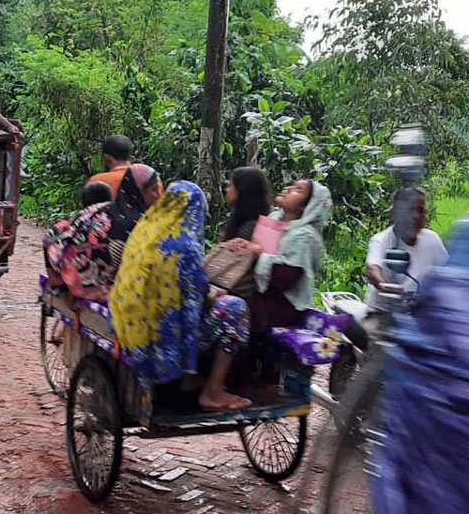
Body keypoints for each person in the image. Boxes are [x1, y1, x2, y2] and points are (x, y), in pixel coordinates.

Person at [111, 181, 252, 411]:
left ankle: (189, 379)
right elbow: (196, 293)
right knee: (235, 309)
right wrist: (214, 293)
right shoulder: (186, 246)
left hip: (134, 327)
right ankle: (213, 391)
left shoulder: (144, 232)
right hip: (163, 342)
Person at [43, 164, 161, 302]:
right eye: (154, 190)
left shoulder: (99, 208)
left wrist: (56, 277)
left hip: (68, 280)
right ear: (139, 192)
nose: (158, 196)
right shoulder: (139, 227)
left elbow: (50, 235)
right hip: (101, 293)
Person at [237, 179, 332, 332]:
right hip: (256, 291)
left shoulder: (304, 237)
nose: (288, 189)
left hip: (278, 305)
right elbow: (260, 250)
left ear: (305, 206)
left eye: (298, 190)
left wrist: (260, 255)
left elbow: (284, 279)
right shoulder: (274, 219)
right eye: (292, 185)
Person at [364, 187, 448, 313]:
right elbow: (373, 270)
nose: (415, 216)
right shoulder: (381, 240)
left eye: (420, 210)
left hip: (419, 314)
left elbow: (448, 271)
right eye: (409, 210)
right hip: (382, 313)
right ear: (395, 214)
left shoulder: (432, 240)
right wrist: (385, 287)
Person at [218, 166, 271, 243]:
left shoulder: (254, 228)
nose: (227, 190)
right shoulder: (239, 218)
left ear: (241, 189)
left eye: (230, 185)